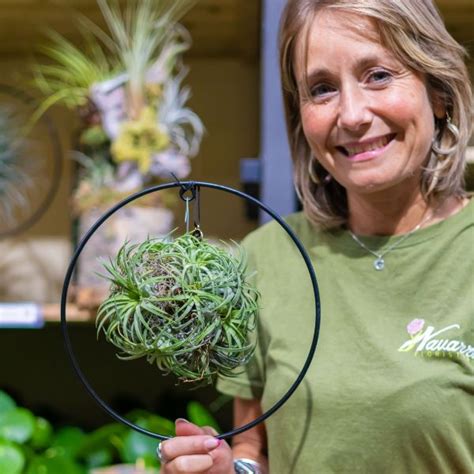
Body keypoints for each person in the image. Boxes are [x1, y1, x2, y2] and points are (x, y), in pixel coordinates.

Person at [159, 0, 473, 472]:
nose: (351, 115)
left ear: (440, 92)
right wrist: (226, 467)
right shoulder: (264, 260)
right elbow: (254, 449)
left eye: (378, 75)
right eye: (322, 89)